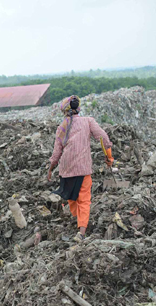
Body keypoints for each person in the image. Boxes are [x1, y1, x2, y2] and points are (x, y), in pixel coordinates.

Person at [47, 95, 114, 242]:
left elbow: (57, 152)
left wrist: (51, 168)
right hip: (83, 168)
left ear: (64, 112)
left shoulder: (62, 128)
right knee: (84, 200)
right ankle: (81, 232)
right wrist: (109, 157)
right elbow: (103, 138)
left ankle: (79, 221)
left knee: (72, 197)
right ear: (78, 109)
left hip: (66, 169)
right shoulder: (88, 121)